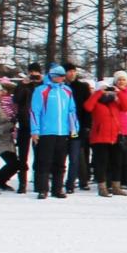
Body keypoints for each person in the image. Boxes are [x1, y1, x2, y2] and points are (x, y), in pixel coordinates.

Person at [29, 65, 78, 199]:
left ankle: (57, 189)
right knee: (45, 161)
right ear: (52, 75)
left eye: (63, 76)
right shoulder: (41, 90)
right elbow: (35, 111)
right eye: (59, 75)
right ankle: (43, 189)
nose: (62, 78)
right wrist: (35, 130)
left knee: (60, 162)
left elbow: (71, 110)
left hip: (62, 132)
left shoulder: (67, 90)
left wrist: (74, 129)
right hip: (46, 132)